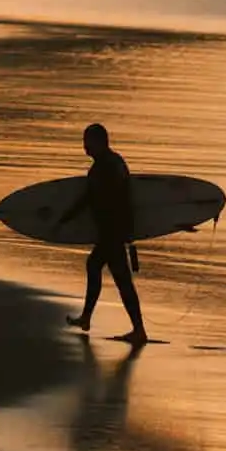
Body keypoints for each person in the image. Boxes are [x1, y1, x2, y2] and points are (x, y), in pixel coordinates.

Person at [55, 123, 148, 345]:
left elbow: (92, 200)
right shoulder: (115, 162)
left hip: (111, 232)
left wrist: (64, 219)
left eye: (87, 142)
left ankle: (136, 329)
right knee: (108, 272)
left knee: (110, 274)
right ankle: (127, 326)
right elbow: (122, 197)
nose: (84, 147)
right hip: (116, 230)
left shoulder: (103, 168)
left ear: (98, 142)